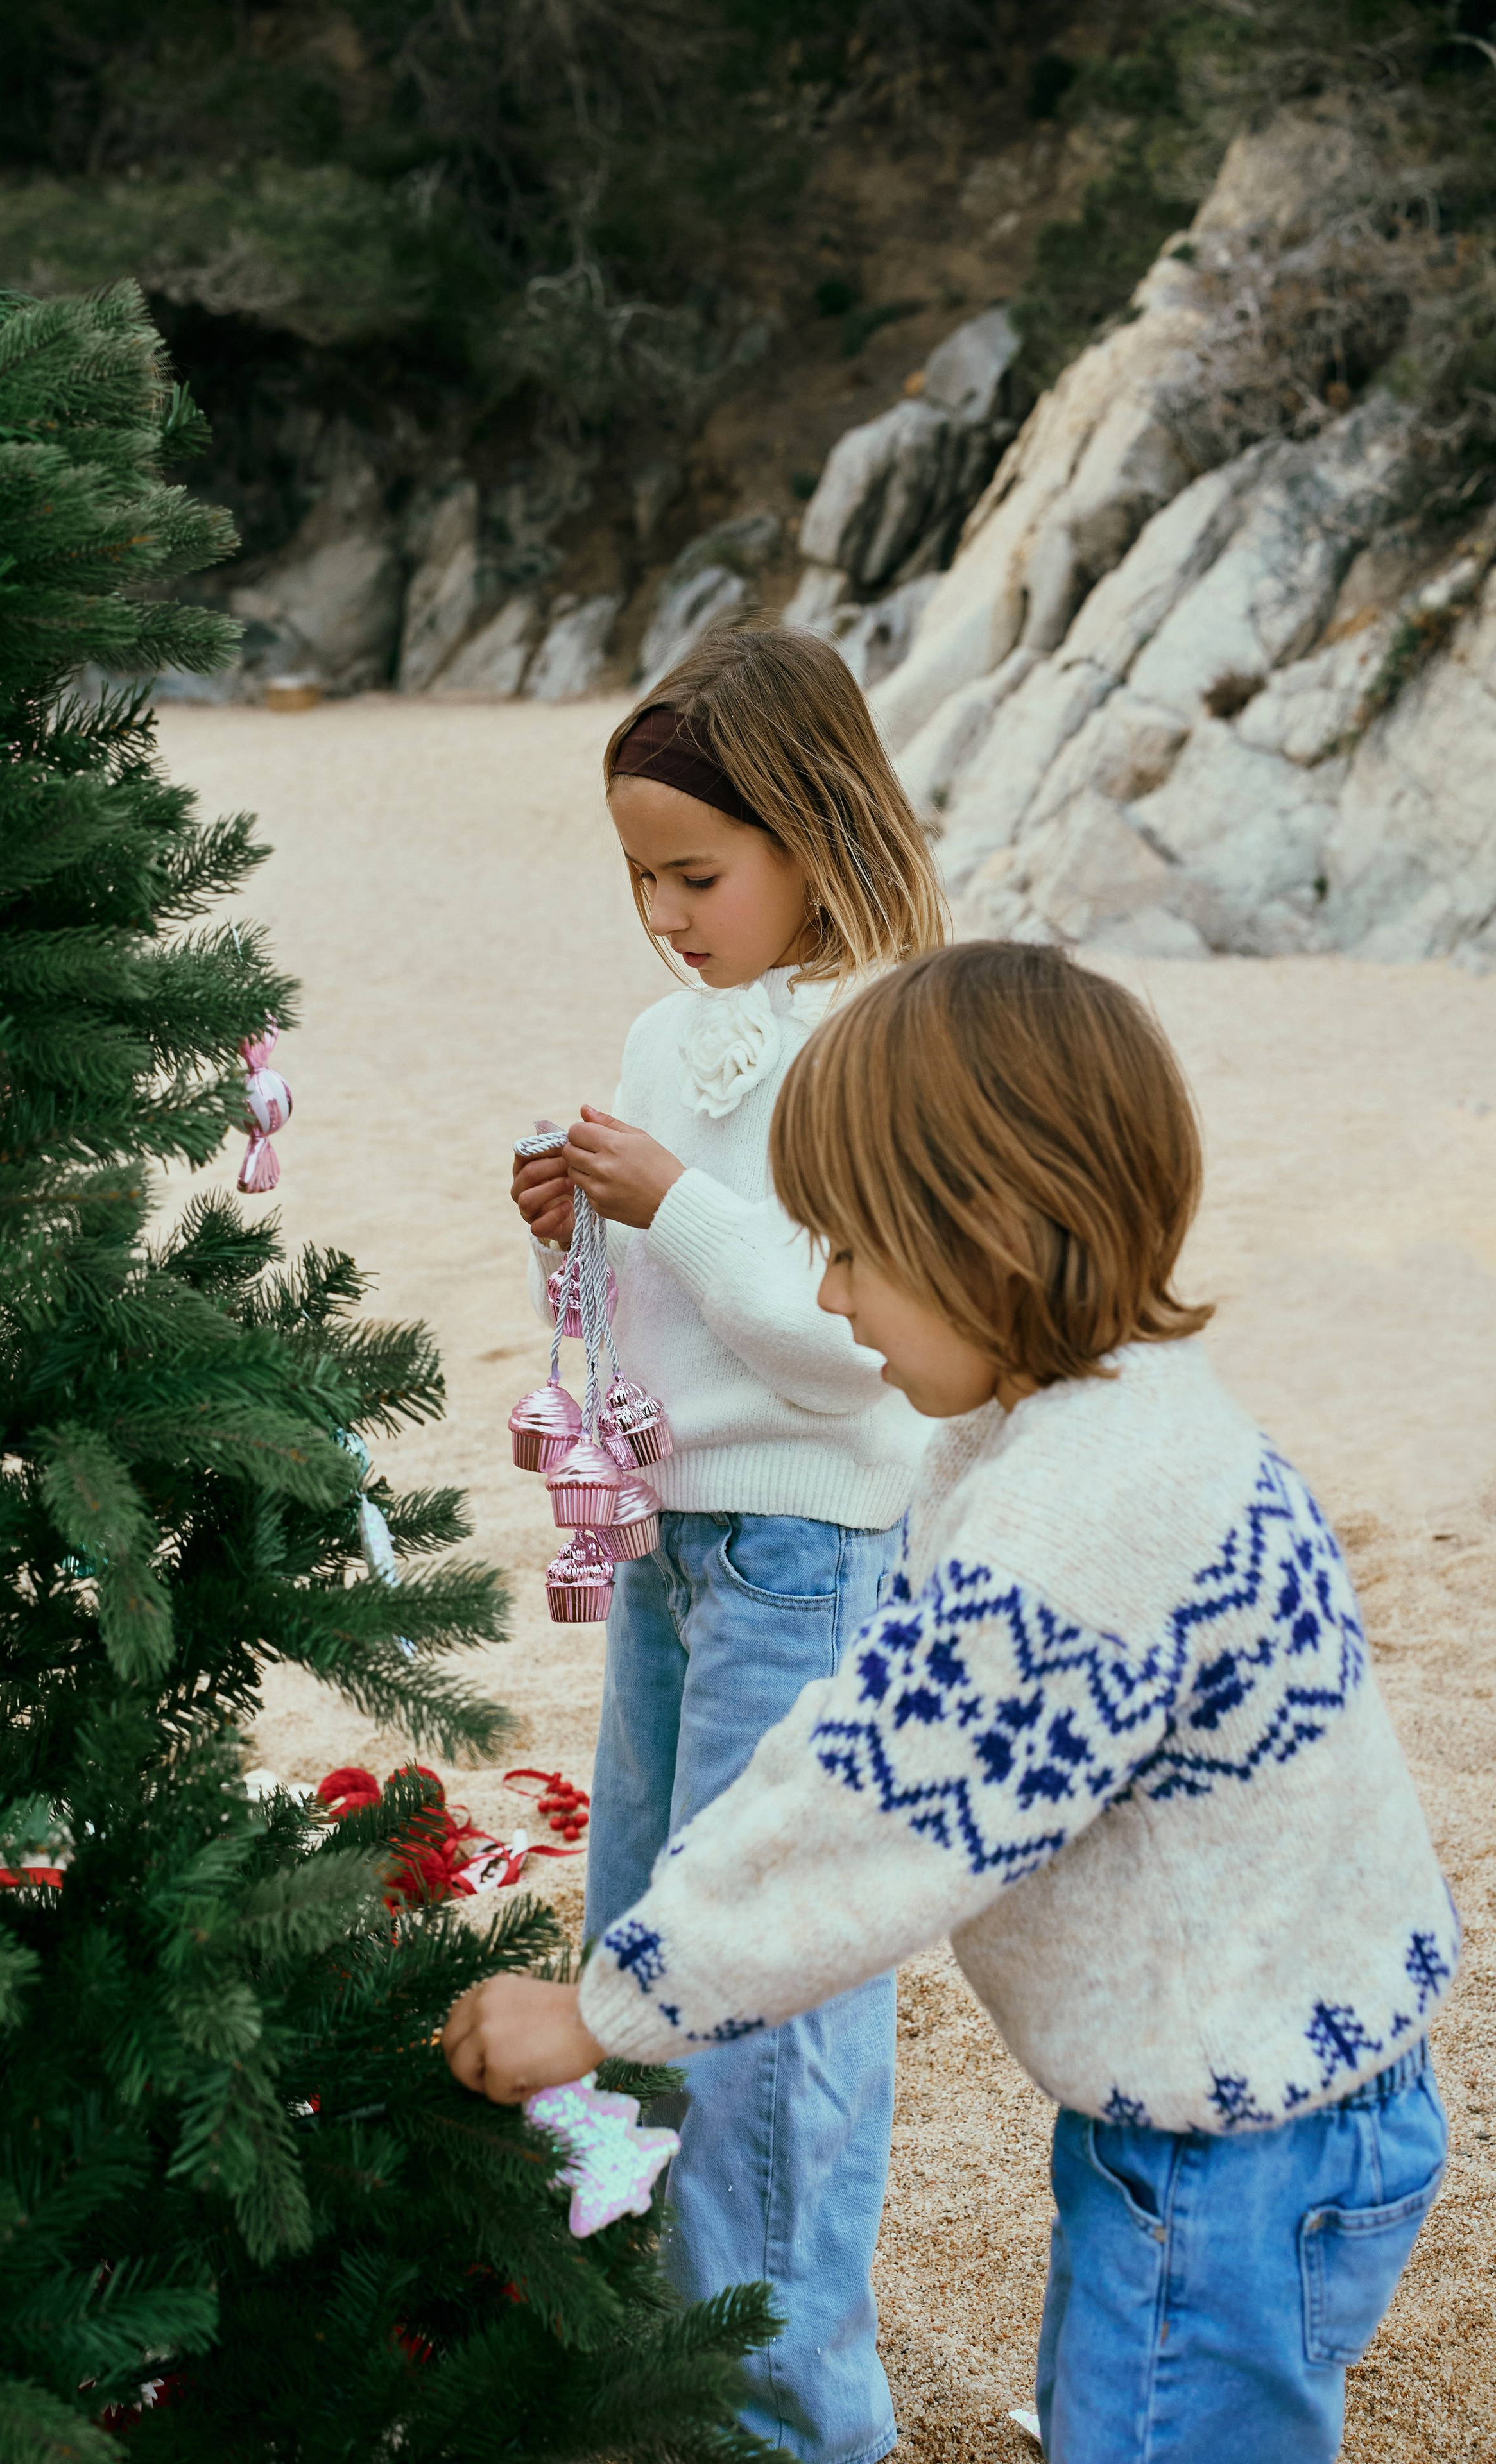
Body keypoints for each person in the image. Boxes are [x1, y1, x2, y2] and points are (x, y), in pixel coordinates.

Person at [470, 941, 1457, 2464]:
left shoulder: (1081, 1517)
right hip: (1273, 2088)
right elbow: (873, 1717)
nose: (833, 1293)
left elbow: (872, 1808)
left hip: (1234, 2150)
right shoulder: (1094, 1424)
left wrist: (608, 2010)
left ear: (990, 1232)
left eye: (853, 1250)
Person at [509, 625, 945, 2464]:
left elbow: (855, 1356)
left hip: (809, 1555)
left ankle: (785, 2423)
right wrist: (574, 1228)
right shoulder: (668, 1033)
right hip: (678, 1548)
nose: (668, 917)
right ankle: (660, 2372)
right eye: (641, 881)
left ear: (820, 834)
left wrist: (673, 1201)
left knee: (766, 1994)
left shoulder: (882, 1033)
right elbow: (670, 1309)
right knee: (637, 1944)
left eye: (701, 875)